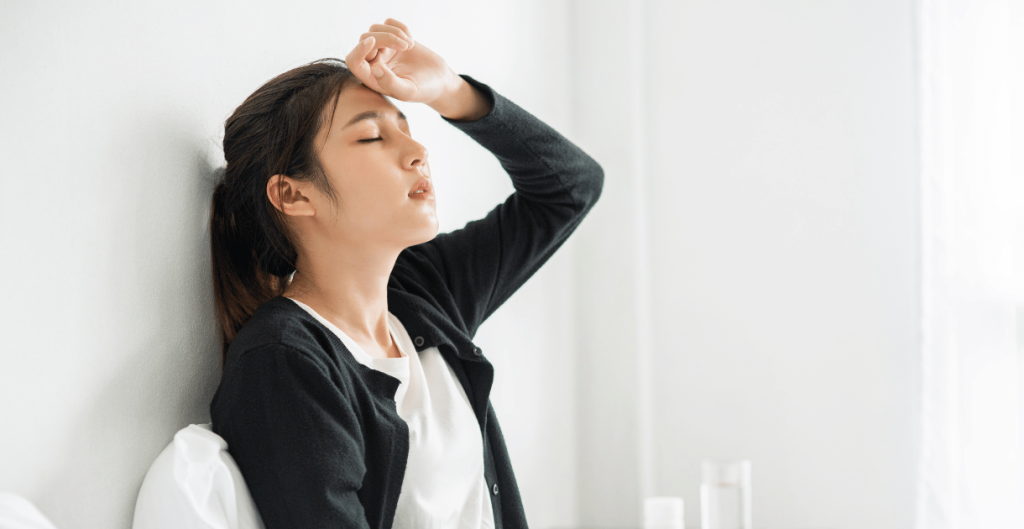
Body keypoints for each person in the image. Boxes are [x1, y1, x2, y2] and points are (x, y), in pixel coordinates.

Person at [207, 17, 604, 529]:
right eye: (373, 137)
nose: (418, 153)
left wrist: (452, 93)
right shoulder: (284, 362)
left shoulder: (421, 294)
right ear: (293, 194)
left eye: (408, 128)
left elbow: (572, 187)